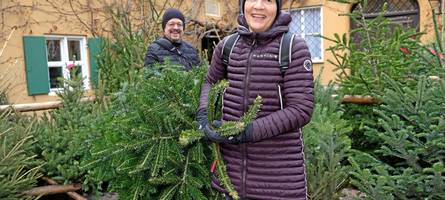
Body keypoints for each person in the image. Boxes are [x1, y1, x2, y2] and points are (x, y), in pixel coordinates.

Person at [197, 0, 314, 199]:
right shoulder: (228, 46)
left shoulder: (292, 48)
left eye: (268, 0)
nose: (258, 6)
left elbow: (301, 109)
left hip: (278, 185)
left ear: (277, 7)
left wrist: (246, 131)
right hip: (231, 181)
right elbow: (210, 82)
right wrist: (203, 115)